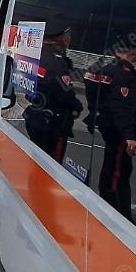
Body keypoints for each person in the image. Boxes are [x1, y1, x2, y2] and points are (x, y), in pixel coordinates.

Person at [96, 41, 136, 221]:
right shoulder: (124, 75)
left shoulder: (113, 70)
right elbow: (122, 107)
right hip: (120, 134)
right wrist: (129, 136)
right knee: (117, 175)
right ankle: (115, 217)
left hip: (115, 129)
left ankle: (117, 213)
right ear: (133, 51)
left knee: (115, 170)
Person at [24, 15, 81, 163]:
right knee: (51, 167)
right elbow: (63, 93)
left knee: (36, 163)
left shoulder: (37, 56)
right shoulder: (56, 63)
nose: (69, 40)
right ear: (62, 37)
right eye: (68, 36)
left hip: (36, 116)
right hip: (52, 123)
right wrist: (76, 106)